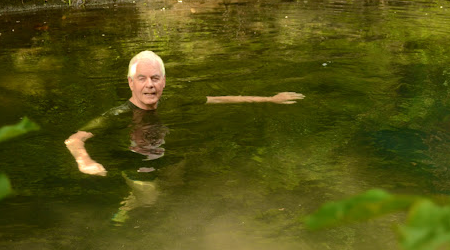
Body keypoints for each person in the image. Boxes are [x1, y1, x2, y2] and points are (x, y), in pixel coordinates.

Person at [64, 50, 305, 176]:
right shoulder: (119, 114)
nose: (150, 85)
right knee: (149, 199)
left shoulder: (175, 101)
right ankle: (122, 215)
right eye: (142, 79)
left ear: (164, 82)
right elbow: (74, 139)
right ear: (130, 83)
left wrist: (271, 99)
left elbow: (221, 99)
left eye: (155, 78)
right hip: (135, 162)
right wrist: (85, 162)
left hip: (164, 156)